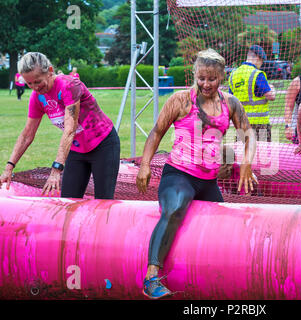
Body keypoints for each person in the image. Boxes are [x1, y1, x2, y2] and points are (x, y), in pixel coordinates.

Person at [136, 48, 257, 299]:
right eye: (201, 78)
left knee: (222, 227)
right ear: (195, 75)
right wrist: (145, 164)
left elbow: (248, 134)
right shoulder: (181, 100)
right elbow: (156, 132)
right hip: (178, 175)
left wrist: (247, 163)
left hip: (207, 181)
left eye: (211, 79)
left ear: (221, 77)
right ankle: (151, 278)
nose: (205, 83)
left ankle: (216, 279)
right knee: (175, 208)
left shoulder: (230, 103)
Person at [0, 52, 120, 199]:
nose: (35, 87)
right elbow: (27, 135)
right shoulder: (37, 98)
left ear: (50, 71)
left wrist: (56, 169)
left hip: (103, 145)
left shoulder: (69, 85)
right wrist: (9, 167)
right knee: (67, 201)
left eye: (37, 81)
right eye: (29, 84)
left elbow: (70, 129)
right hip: (76, 149)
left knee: (103, 202)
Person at [229, 45, 276, 141]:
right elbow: (270, 96)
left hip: (241, 124)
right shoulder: (257, 74)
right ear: (257, 58)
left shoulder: (233, 75)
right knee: (263, 154)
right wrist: (272, 88)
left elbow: (231, 99)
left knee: (244, 153)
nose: (261, 64)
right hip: (260, 125)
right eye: (261, 61)